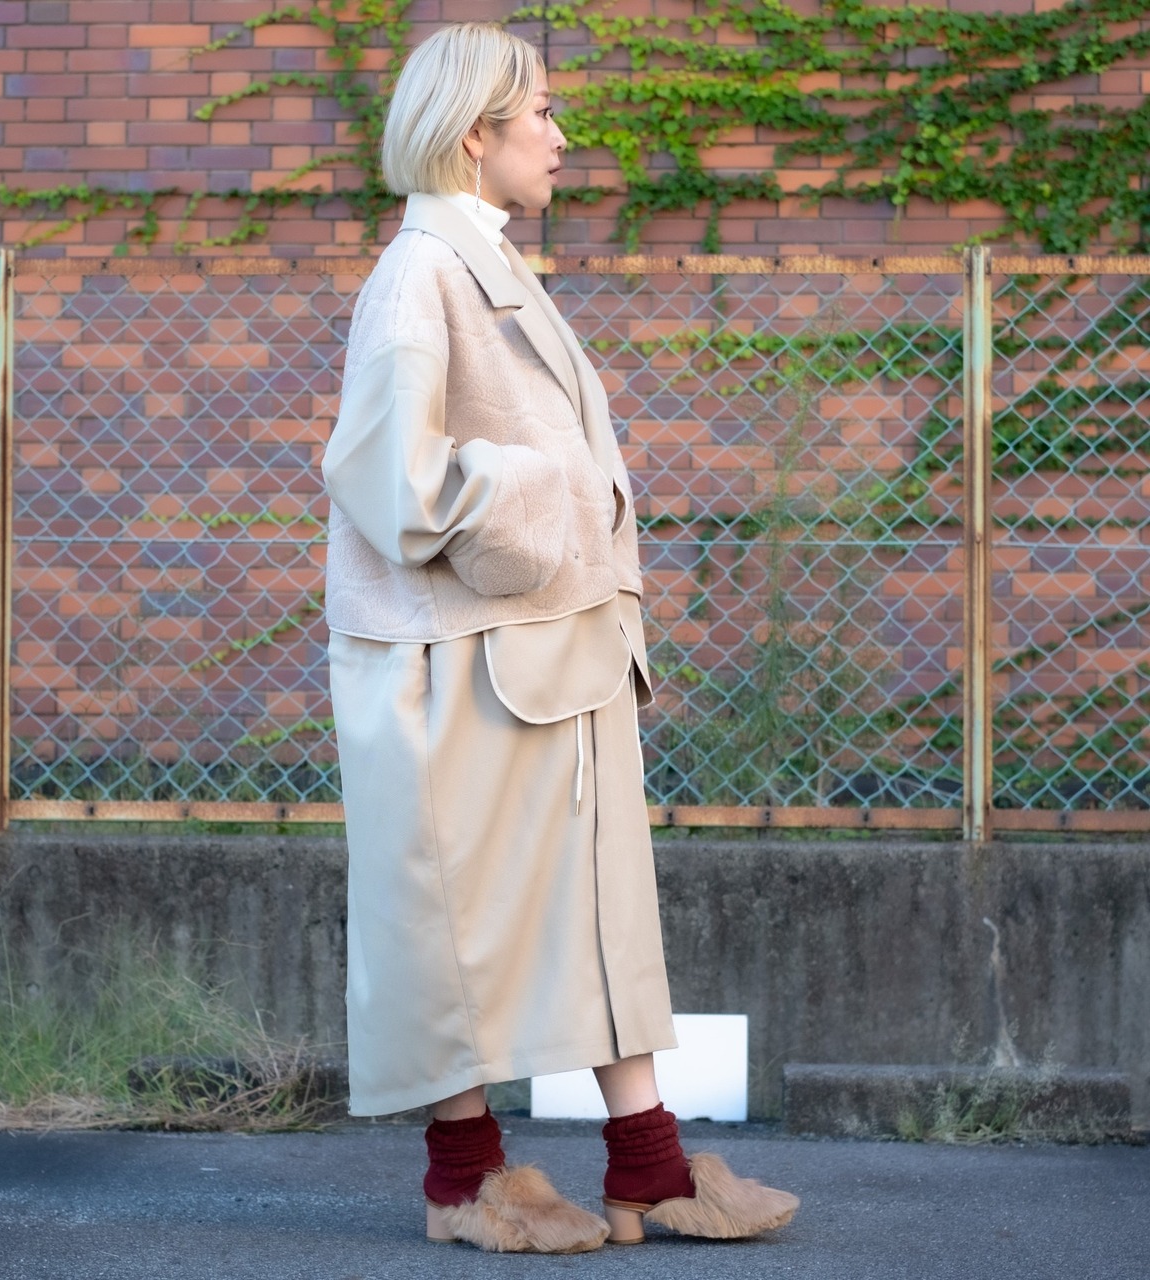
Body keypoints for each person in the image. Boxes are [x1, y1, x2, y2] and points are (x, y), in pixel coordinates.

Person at [321, 21, 799, 1253]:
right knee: (457, 928)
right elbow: (389, 478)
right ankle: (464, 1180)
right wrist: (551, 496)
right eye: (539, 111)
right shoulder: (419, 274)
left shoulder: (483, 260)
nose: (560, 134)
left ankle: (648, 1161)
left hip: (540, 651)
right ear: (472, 134)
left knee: (600, 916)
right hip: (464, 660)